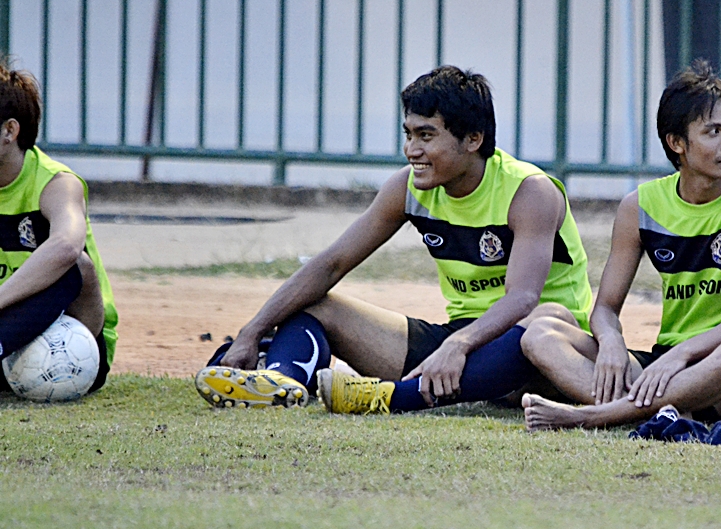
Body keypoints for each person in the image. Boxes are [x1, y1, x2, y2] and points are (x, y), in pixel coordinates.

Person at [196, 66, 592, 413]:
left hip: (540, 349)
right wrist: (251, 332)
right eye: (408, 134)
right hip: (459, 342)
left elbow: (522, 298)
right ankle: (280, 382)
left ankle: (390, 398)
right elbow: (331, 264)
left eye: (426, 136)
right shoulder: (408, 188)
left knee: (538, 322)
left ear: (473, 139)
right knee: (316, 302)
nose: (411, 150)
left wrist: (457, 346)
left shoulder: (529, 191)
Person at [518, 60, 721, 430]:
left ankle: (592, 416)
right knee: (540, 334)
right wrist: (611, 341)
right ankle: (668, 408)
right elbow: (605, 309)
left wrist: (683, 353)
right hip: (669, 366)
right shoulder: (640, 207)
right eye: (713, 132)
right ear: (676, 143)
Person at [0, 62, 118, 394]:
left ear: (9, 131)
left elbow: (66, 246)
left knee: (75, 263)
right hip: (9, 337)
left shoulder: (56, 182)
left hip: (76, 343)